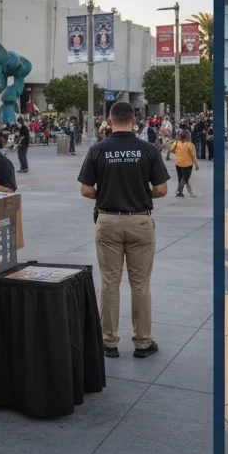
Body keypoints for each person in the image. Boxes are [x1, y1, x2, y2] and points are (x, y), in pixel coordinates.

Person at [77, 102, 169, 359]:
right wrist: (143, 192)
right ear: (134, 120)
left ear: (109, 119)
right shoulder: (148, 149)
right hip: (140, 220)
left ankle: (109, 342)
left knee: (109, 283)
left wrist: (104, 192)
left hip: (108, 220)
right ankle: (142, 342)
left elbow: (85, 190)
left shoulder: (98, 149)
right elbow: (161, 190)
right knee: (140, 284)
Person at [171, 130, 199, 198]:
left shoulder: (176, 142)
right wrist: (196, 164)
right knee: (185, 178)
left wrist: (176, 152)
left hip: (178, 163)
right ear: (188, 137)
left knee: (180, 178)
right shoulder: (190, 144)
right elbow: (193, 155)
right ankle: (179, 191)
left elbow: (171, 149)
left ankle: (180, 193)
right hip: (188, 164)